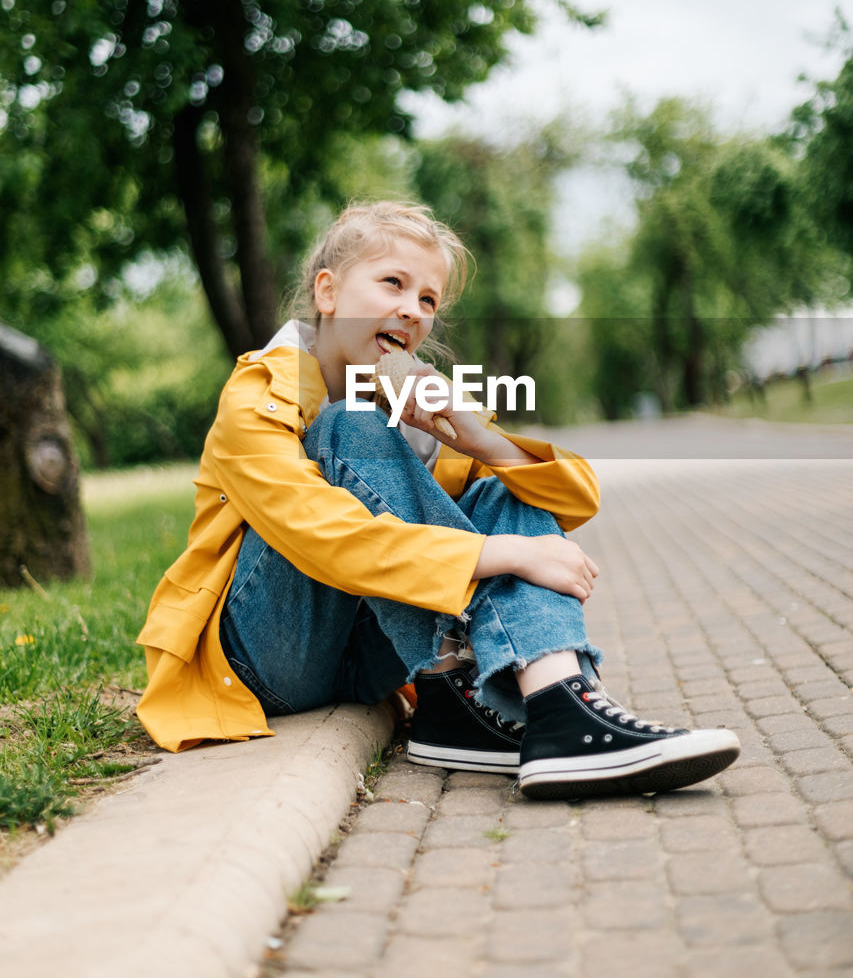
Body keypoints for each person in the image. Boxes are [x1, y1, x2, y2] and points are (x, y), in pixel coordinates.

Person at [136, 201, 740, 798]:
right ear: (328, 292)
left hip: (370, 663)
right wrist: (500, 554)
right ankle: (469, 687)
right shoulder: (258, 393)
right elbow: (324, 537)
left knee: (504, 488)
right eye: (392, 283)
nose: (412, 310)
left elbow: (574, 500)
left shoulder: (418, 403)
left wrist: (475, 433)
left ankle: (554, 701)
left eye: (427, 299)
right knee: (352, 426)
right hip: (266, 657)